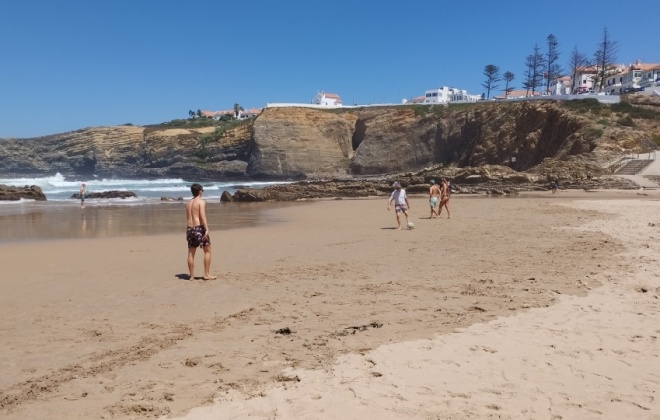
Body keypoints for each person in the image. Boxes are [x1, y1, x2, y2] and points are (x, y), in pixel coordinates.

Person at [185, 183, 217, 280]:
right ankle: (206, 274)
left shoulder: (188, 203)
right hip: (199, 228)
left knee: (191, 253)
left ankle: (191, 276)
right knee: (207, 251)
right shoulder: (201, 202)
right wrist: (206, 228)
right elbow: (202, 216)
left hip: (190, 229)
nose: (202, 192)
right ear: (199, 191)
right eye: (202, 190)